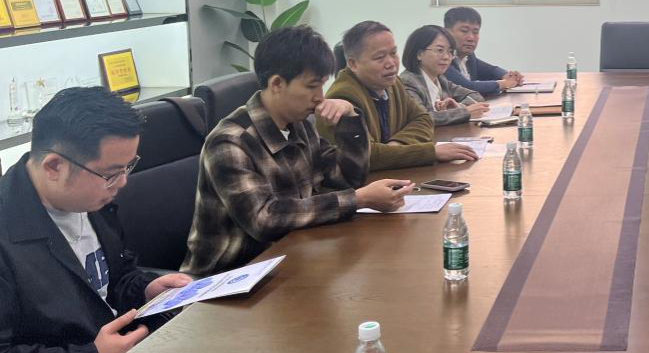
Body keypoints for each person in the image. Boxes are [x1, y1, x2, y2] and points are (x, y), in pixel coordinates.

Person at [0, 87, 192, 353]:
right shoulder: (8, 234)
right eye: (111, 173)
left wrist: (146, 287)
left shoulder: (91, 200)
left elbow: (114, 277)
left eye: (128, 167)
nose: (123, 182)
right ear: (54, 166)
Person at [183, 25, 417, 278]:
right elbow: (264, 219)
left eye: (322, 86)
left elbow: (346, 179)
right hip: (231, 277)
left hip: (292, 257)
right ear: (277, 83)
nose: (320, 97)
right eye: (311, 87)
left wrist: (350, 119)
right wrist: (359, 199)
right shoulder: (230, 142)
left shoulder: (299, 124)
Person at [319, 21, 477, 168]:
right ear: (353, 64)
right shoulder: (343, 97)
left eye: (393, 53)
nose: (391, 63)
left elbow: (423, 119)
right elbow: (365, 156)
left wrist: (395, 146)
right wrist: (431, 152)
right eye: (380, 57)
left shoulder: (393, 84)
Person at [401, 25, 491, 126]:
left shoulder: (440, 79)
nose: (446, 57)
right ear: (419, 54)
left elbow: (475, 95)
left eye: (450, 52)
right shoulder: (407, 82)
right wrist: (465, 112)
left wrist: (459, 106)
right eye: (440, 50)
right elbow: (422, 118)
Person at [444, 6, 523, 96]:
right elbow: (467, 87)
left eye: (475, 32)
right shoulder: (443, 59)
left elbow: (491, 70)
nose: (471, 38)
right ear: (447, 33)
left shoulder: (468, 56)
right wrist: (505, 83)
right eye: (464, 31)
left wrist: (509, 76)